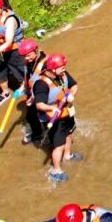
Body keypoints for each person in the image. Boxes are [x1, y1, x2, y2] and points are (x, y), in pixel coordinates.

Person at [33, 53, 79, 182]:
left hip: (66, 112)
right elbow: (39, 105)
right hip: (52, 117)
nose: (64, 69)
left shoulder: (62, 73)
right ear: (52, 69)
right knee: (58, 144)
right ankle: (55, 170)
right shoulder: (41, 84)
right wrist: (52, 108)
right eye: (62, 67)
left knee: (69, 134)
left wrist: (72, 95)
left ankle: (68, 156)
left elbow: (74, 85)